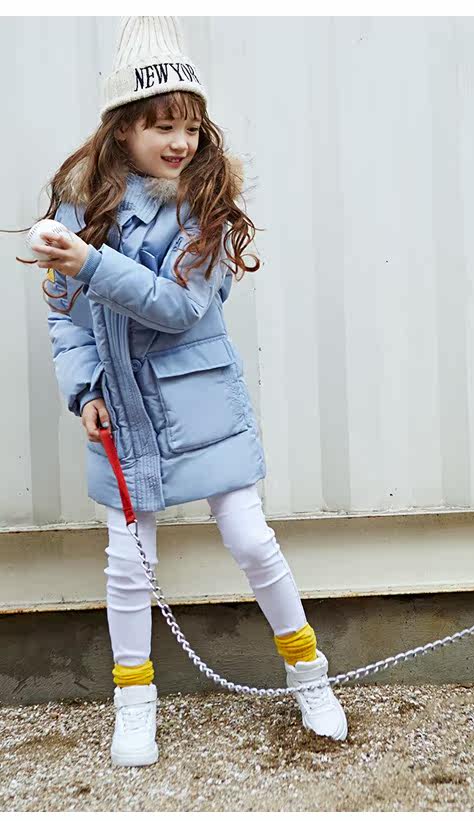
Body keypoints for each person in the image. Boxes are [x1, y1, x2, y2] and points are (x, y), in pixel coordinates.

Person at [32, 16, 347, 768]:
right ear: (123, 128)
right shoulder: (79, 204)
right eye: (162, 126)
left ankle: (309, 673)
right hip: (120, 407)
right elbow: (66, 315)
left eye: (191, 127)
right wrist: (84, 389)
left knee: (251, 540)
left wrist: (89, 264)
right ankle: (133, 700)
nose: (180, 143)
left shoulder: (206, 207)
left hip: (199, 400)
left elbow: (177, 307)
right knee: (128, 561)